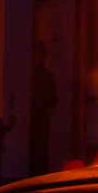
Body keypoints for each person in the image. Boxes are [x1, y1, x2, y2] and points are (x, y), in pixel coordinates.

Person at [29, 40, 58, 176]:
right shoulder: (24, 76)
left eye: (39, 54)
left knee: (38, 162)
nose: (36, 57)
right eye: (34, 53)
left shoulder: (47, 78)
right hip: (29, 126)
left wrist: (38, 97)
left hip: (39, 127)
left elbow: (53, 101)